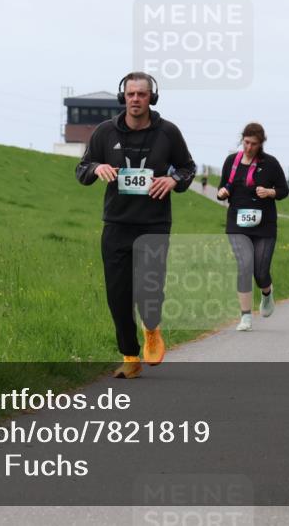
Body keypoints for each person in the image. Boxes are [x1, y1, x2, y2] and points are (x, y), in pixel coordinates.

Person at [75, 72, 196, 379]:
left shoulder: (168, 133)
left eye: (142, 94)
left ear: (151, 98)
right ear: (123, 97)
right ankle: (130, 356)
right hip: (116, 224)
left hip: (153, 223)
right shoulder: (105, 132)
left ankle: (152, 328)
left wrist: (172, 180)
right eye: (130, 95)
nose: (136, 100)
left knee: (149, 290)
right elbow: (82, 168)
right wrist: (96, 166)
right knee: (118, 295)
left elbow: (188, 168)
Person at [216, 123, 289, 331]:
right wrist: (222, 193)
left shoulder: (270, 164)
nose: (249, 147)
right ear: (242, 140)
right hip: (237, 222)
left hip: (264, 224)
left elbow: (284, 190)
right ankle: (246, 317)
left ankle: (267, 293)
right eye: (246, 142)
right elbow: (223, 185)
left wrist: (270, 192)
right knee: (245, 266)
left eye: (253, 144)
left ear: (260, 144)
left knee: (261, 272)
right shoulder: (232, 161)